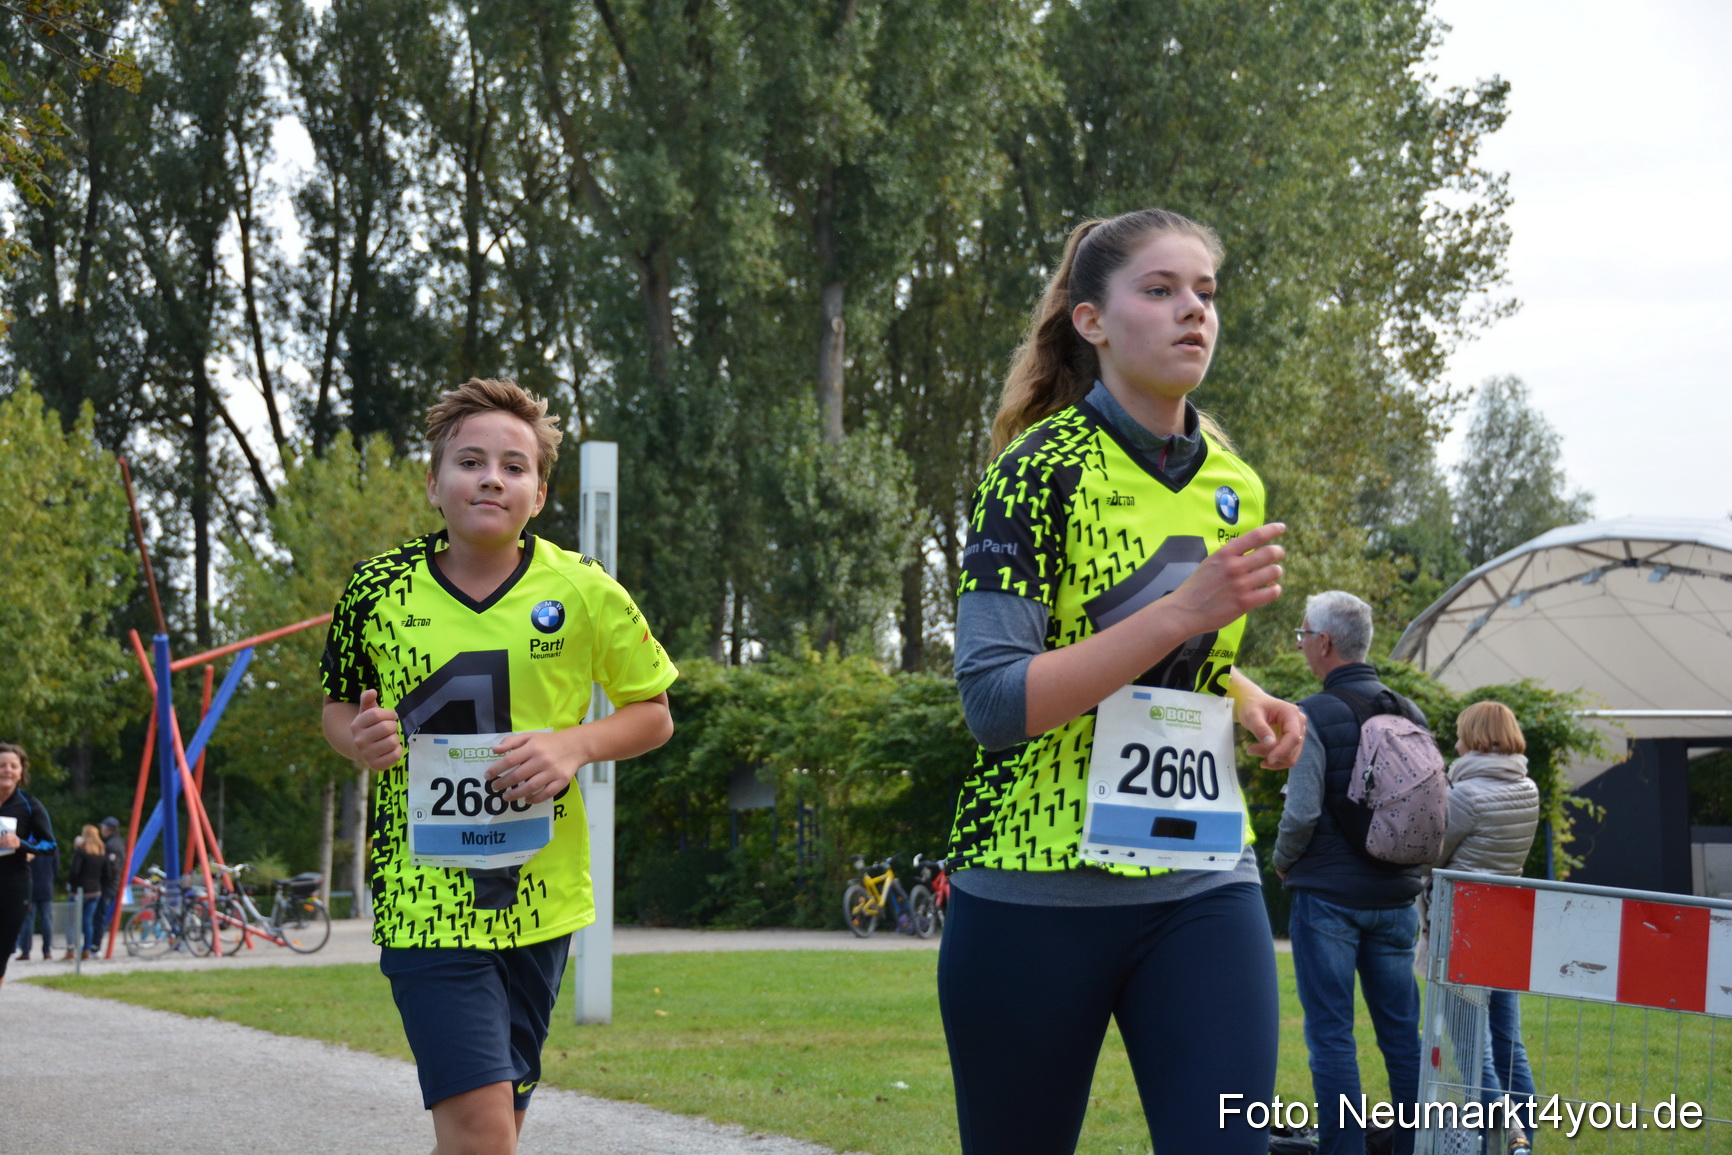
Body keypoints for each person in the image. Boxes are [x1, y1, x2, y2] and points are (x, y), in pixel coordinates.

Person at [942, 208, 1306, 1155]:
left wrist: (1245, 695)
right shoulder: (1035, 475)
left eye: (1206, 292)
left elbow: (1161, 657)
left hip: (1201, 880)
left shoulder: (1236, 483)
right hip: (1032, 889)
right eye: (1161, 289)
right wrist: (1190, 610)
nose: (1194, 311)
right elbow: (995, 702)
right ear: (1091, 321)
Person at [320, 377, 677, 1155]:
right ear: (433, 481)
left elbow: (654, 713)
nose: (491, 477)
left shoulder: (583, 589)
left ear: (540, 492)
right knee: (484, 1128)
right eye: (470, 460)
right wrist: (362, 740)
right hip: (424, 894)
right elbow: (338, 708)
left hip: (540, 897)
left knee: (494, 1123)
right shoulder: (374, 591)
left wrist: (573, 743)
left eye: (514, 466)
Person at [1273, 591, 1430, 1155]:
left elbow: (1303, 811)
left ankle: (1343, 1149)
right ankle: (1415, 1146)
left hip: (1331, 898)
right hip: (1396, 899)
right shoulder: (1410, 712)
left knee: (1332, 1036)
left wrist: (1283, 861)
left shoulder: (1312, 714)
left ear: (1325, 643)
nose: (1299, 643)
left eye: (1301, 633)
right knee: (1401, 1037)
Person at [1437, 701, 1539, 1154]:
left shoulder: (1465, 795)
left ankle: (1506, 1140)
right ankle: (1525, 1139)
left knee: (1470, 1046)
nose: (1456, 742)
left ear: (1475, 738)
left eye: (1461, 734)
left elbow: (1430, 855)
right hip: (1507, 926)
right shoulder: (1527, 789)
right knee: (1509, 1044)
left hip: (1464, 930)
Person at [0, 743, 57, 986]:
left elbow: (49, 845)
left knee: (3, 948)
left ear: (22, 772)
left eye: (13, 766)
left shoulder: (29, 805)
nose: (7, 770)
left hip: (14, 884)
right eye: (2, 765)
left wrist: (21, 843)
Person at [68, 823, 115, 961]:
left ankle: (71, 950)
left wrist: (73, 885)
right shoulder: (102, 851)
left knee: (72, 921)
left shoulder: (81, 851)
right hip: (95, 891)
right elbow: (108, 874)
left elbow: (74, 872)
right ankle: (86, 949)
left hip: (79, 891)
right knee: (88, 922)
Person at [91, 816, 124, 955]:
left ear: (107, 828)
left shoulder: (111, 845)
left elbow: (112, 867)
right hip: (112, 884)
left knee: (100, 915)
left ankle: (95, 945)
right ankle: (95, 944)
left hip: (108, 885)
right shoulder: (118, 842)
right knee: (101, 914)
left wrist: (102, 879)